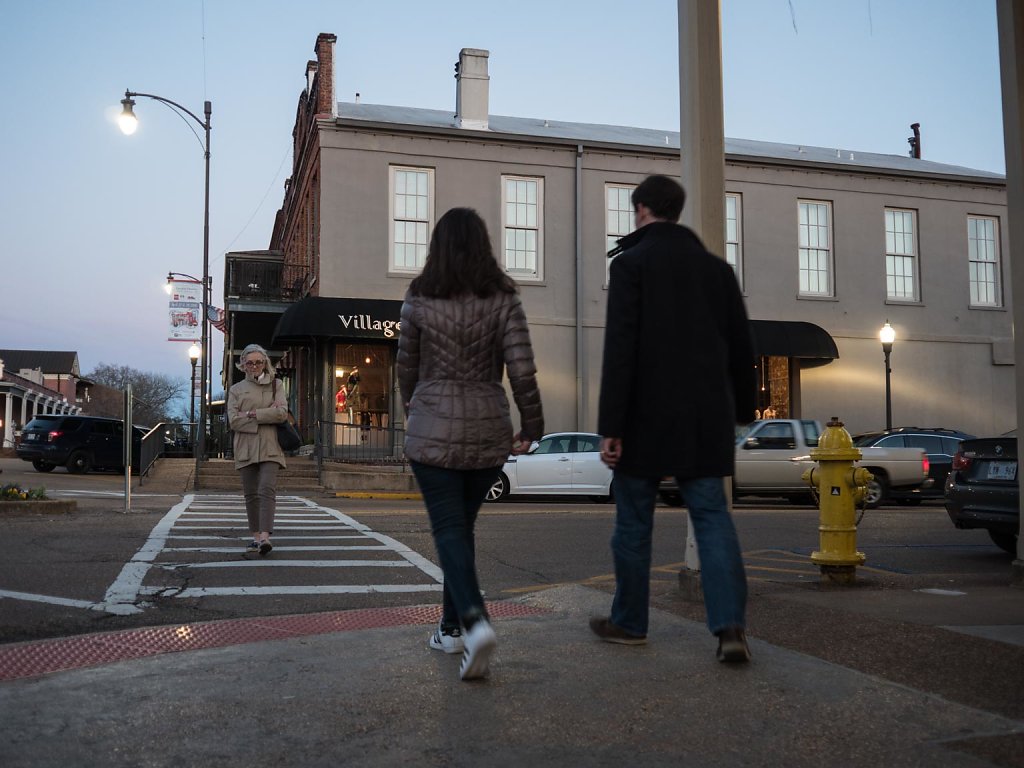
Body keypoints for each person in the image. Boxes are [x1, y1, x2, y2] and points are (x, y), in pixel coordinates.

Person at [592, 174, 757, 663]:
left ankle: (630, 622)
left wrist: (612, 426)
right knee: (711, 518)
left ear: (642, 209)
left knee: (634, 521)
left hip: (644, 416)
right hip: (705, 418)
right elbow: (742, 348)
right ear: (677, 211)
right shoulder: (717, 271)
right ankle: (730, 628)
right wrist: (742, 413)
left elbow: (620, 349)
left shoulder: (631, 265)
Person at [397, 207, 544, 681]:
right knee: (460, 529)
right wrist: (533, 427)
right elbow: (522, 369)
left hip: (432, 424)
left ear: (436, 245)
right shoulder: (504, 298)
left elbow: (406, 366)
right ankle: (449, 627)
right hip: (487, 428)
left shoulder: (419, 296)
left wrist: (413, 409)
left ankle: (476, 622)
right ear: (484, 244)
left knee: (449, 530)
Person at [227, 343, 289, 556]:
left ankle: (265, 537)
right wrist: (265, 414)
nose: (254, 366)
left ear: (265, 363)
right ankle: (255, 537)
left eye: (259, 362)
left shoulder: (276, 385)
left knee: (266, 489)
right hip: (245, 447)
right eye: (250, 362)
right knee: (251, 494)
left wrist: (252, 414)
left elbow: (282, 413)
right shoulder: (235, 390)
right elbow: (234, 421)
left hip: (271, 446)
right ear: (243, 364)